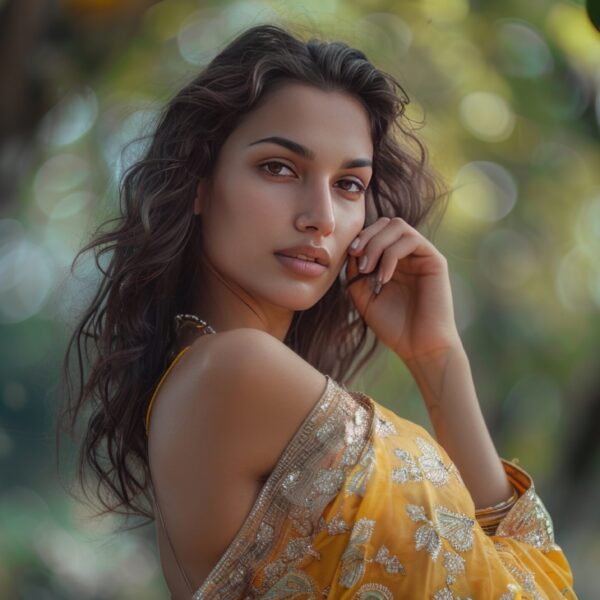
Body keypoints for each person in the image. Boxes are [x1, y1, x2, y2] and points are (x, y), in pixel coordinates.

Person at [59, 23, 576, 599]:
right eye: (279, 168)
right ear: (199, 182)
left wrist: (435, 355)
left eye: (349, 184)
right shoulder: (238, 371)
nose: (321, 217)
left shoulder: (209, 376)